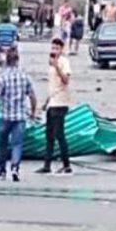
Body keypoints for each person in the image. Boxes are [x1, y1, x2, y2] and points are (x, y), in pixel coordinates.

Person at [0, 47, 37, 182]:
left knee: (2, 145)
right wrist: (33, 112)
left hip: (4, 117)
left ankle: (2, 171)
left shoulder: (2, 78)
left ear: (6, 61)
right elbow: (32, 96)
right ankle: (15, 168)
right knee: (17, 144)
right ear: (17, 61)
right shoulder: (24, 77)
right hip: (20, 117)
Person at [36, 37, 72, 175]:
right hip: (52, 102)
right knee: (49, 135)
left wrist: (57, 66)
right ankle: (47, 165)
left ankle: (66, 164)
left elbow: (66, 80)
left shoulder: (64, 62)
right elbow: (52, 86)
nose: (54, 51)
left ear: (61, 50)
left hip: (61, 103)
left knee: (59, 134)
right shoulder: (50, 65)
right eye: (53, 48)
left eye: (57, 48)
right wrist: (46, 103)